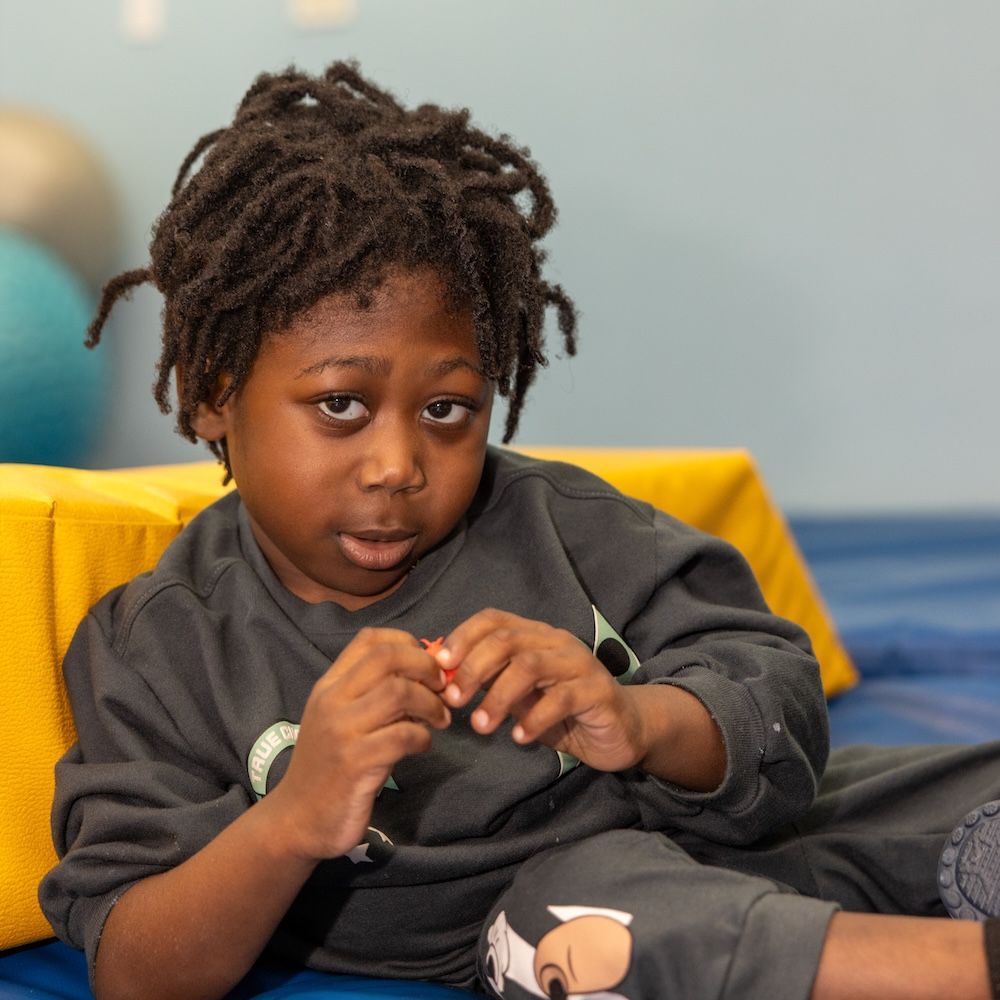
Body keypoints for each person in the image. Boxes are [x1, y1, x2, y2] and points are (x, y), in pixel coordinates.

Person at [39, 61, 1000, 1000]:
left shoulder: (561, 522)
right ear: (215, 397)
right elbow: (136, 966)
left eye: (448, 409)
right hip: (547, 921)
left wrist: (639, 720)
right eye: (339, 403)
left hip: (739, 841)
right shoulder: (162, 642)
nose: (398, 464)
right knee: (584, 922)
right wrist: (293, 817)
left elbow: (775, 693)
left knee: (935, 791)